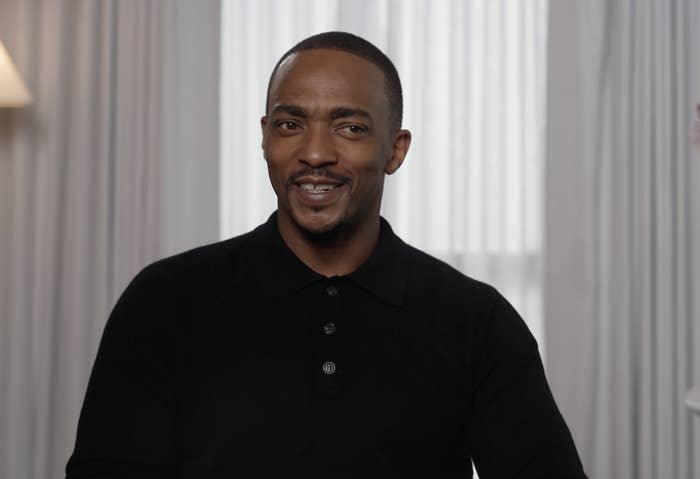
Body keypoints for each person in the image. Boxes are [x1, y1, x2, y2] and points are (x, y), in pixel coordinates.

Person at [66, 31, 587, 478]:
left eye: (350, 128)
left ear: (395, 150)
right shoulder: (164, 301)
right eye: (290, 125)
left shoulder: (477, 321)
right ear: (266, 137)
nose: (315, 153)